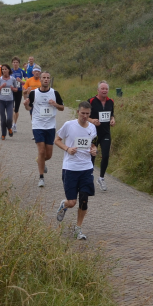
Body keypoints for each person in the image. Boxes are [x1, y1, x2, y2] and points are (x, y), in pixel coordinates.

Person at [54, 102, 97, 240]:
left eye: (87, 114)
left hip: (86, 168)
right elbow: (57, 140)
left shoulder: (92, 127)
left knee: (84, 200)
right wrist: (68, 149)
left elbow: (91, 143)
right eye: (82, 113)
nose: (85, 116)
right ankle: (64, 205)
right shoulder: (69, 125)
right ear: (78, 112)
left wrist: (94, 149)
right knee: (72, 202)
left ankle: (78, 229)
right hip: (70, 168)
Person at [24, 71, 64, 186]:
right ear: (40, 80)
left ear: (49, 80)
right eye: (44, 78)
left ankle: (40, 161)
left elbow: (62, 108)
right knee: (41, 151)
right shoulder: (34, 93)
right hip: (37, 125)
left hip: (50, 126)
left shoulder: (55, 93)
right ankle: (41, 177)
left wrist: (55, 104)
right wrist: (26, 105)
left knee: (48, 155)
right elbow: (28, 108)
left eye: (48, 78)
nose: (46, 79)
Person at [88, 80, 115, 192]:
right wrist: (92, 120)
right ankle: (89, 177)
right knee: (92, 155)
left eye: (106, 89)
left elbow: (112, 114)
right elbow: (83, 115)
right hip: (93, 132)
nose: (104, 91)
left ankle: (101, 178)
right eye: (102, 89)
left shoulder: (111, 102)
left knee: (106, 155)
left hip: (105, 132)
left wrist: (113, 120)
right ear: (98, 90)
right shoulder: (91, 101)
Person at [0, 64, 19, 140]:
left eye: (5, 69)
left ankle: (9, 128)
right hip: (1, 101)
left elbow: (16, 89)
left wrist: (13, 88)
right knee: (3, 119)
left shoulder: (13, 79)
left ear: (9, 70)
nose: (4, 71)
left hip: (10, 101)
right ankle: (3, 134)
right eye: (3, 69)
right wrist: (1, 87)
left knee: (9, 118)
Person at [10, 56, 27, 131]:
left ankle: (14, 124)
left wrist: (21, 81)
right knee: (11, 108)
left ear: (19, 63)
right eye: (14, 62)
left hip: (19, 91)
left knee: (16, 109)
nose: (15, 64)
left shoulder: (22, 71)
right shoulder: (9, 71)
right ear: (12, 63)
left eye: (17, 62)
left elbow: (27, 82)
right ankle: (10, 123)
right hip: (11, 92)